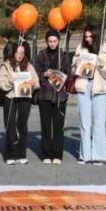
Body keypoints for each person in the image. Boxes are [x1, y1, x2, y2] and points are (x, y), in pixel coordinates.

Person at [72, 25, 106, 165]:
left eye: (90, 36)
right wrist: (76, 64)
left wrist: (100, 64)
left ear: (96, 36)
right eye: (86, 36)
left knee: (99, 122)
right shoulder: (80, 48)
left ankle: (99, 155)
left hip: (100, 88)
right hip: (83, 86)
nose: (88, 39)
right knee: (84, 122)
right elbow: (72, 71)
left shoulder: (105, 49)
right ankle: (85, 154)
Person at [0, 41, 39, 165]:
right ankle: (10, 154)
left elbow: (36, 81)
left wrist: (33, 83)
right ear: (13, 53)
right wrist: (10, 81)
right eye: (17, 52)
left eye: (22, 53)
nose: (20, 55)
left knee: (22, 125)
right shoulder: (6, 65)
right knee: (10, 125)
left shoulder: (28, 65)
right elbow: (1, 82)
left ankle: (21, 153)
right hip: (10, 97)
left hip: (24, 98)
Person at [35, 29, 72, 164]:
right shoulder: (41, 54)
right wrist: (44, 74)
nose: (52, 43)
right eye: (50, 41)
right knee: (45, 125)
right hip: (44, 95)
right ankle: (45, 154)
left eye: (54, 41)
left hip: (59, 96)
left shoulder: (64, 55)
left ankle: (57, 154)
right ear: (46, 42)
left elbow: (69, 73)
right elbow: (36, 71)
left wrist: (61, 75)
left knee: (58, 126)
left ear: (58, 41)